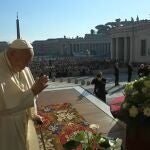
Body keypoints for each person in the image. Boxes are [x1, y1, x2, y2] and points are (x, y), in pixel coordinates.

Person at [0, 39, 49, 150]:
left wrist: (33, 114)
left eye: (29, 62)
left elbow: (29, 95)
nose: (27, 65)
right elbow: (5, 104)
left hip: (24, 121)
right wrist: (33, 91)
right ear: (12, 54)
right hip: (6, 127)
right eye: (26, 61)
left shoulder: (24, 68)